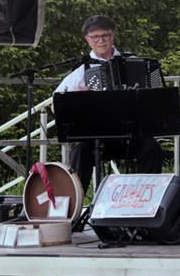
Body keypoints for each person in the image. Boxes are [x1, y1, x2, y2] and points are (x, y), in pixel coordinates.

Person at [55, 15, 163, 196]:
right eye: (95, 37)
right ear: (87, 40)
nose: (101, 40)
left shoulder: (133, 62)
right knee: (80, 151)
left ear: (113, 36)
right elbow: (57, 101)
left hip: (129, 135)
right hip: (97, 137)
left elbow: (155, 94)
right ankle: (73, 206)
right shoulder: (81, 70)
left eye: (105, 35)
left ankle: (146, 201)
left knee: (151, 148)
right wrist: (77, 99)